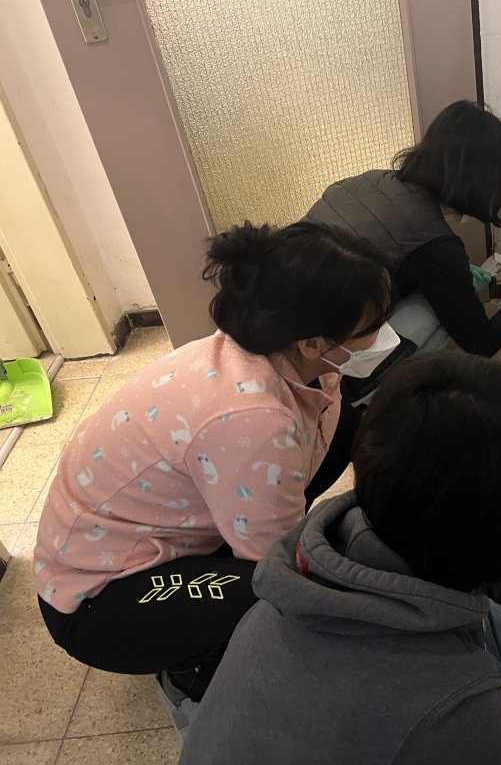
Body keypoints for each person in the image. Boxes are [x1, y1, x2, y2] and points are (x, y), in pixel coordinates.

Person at [179, 354, 501, 764]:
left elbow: (436, 575)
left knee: (498, 629)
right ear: (476, 514)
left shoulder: (340, 545)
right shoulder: (444, 695)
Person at [33, 221, 393, 704]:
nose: (381, 336)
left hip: (155, 533)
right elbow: (275, 564)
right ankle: (196, 668)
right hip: (98, 598)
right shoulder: (253, 418)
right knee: (277, 594)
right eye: (370, 328)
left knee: (343, 429)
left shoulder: (278, 354)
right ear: (313, 342)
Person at [302, 101, 501, 542]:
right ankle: (365, 392)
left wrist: (455, 279)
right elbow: (480, 341)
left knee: (444, 297)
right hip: (328, 370)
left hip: (293, 335)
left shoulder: (365, 181)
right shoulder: (434, 242)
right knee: (443, 318)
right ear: (480, 179)